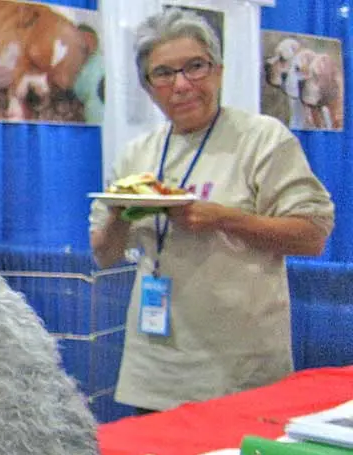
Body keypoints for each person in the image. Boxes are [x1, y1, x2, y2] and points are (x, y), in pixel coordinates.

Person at [89, 7, 335, 414]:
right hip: (155, 372)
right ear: (149, 88)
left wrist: (225, 219)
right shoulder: (138, 154)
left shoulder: (261, 139)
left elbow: (313, 236)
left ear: (218, 71)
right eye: (164, 73)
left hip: (240, 374)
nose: (181, 85)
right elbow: (104, 253)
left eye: (195, 67)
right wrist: (117, 210)